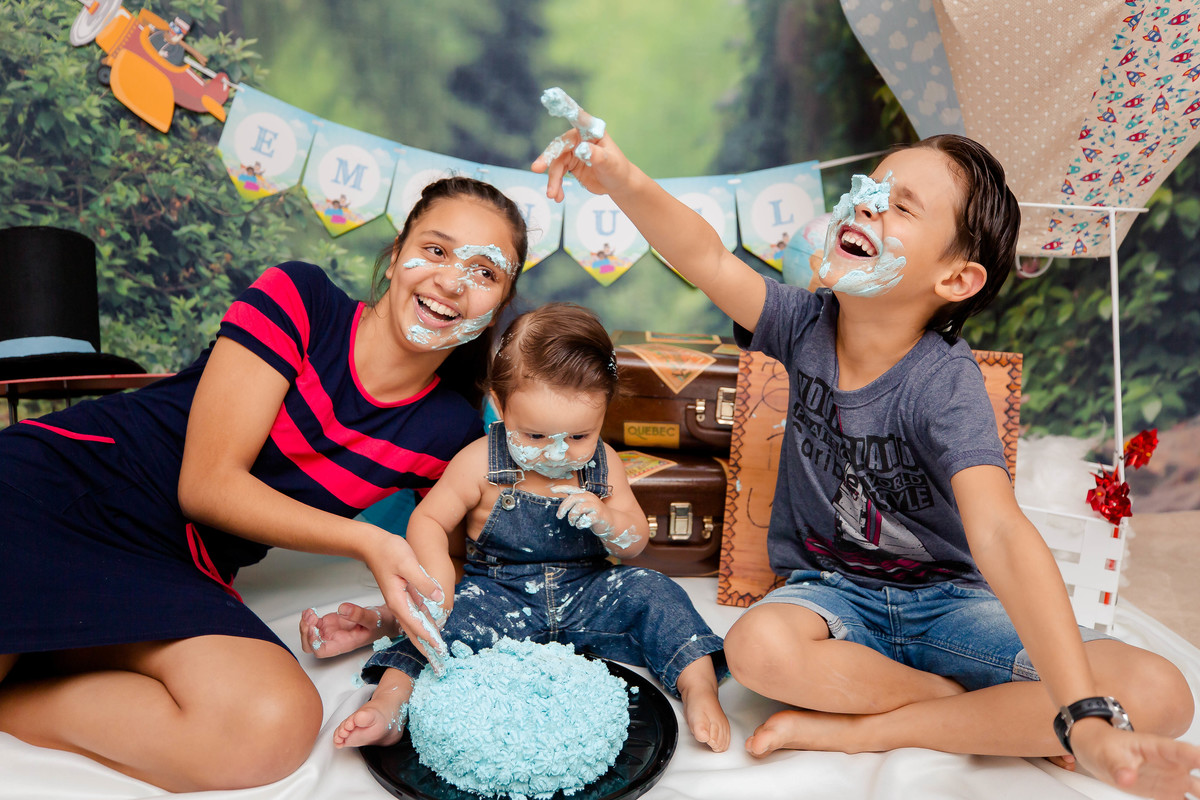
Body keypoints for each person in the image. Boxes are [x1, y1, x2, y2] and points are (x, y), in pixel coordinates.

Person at [533, 127, 1200, 798]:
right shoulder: (801, 325)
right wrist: (623, 179)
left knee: (1161, 692)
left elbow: (998, 531)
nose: (867, 206)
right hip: (830, 594)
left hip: (949, 603)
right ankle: (965, 711)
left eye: (901, 206)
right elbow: (705, 254)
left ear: (956, 278)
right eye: (868, 190)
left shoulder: (944, 385)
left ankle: (875, 728)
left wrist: (1084, 714)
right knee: (756, 649)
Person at [0, 176, 527, 792]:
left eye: (485, 273)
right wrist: (369, 543)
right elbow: (207, 486)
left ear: (498, 305)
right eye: (436, 250)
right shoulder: (299, 297)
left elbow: (454, 568)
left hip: (175, 566)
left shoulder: (448, 427)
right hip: (56, 489)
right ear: (395, 256)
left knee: (270, 725)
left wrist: (383, 617)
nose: (452, 281)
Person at [304, 302, 731, 753]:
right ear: (499, 406)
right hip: (496, 594)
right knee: (437, 622)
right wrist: (439, 581)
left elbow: (634, 542)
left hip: (587, 591)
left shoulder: (604, 464)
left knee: (656, 591)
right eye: (535, 436)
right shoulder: (478, 463)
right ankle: (390, 703)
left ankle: (698, 687)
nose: (557, 454)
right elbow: (429, 518)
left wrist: (609, 522)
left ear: (603, 413)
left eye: (579, 437)